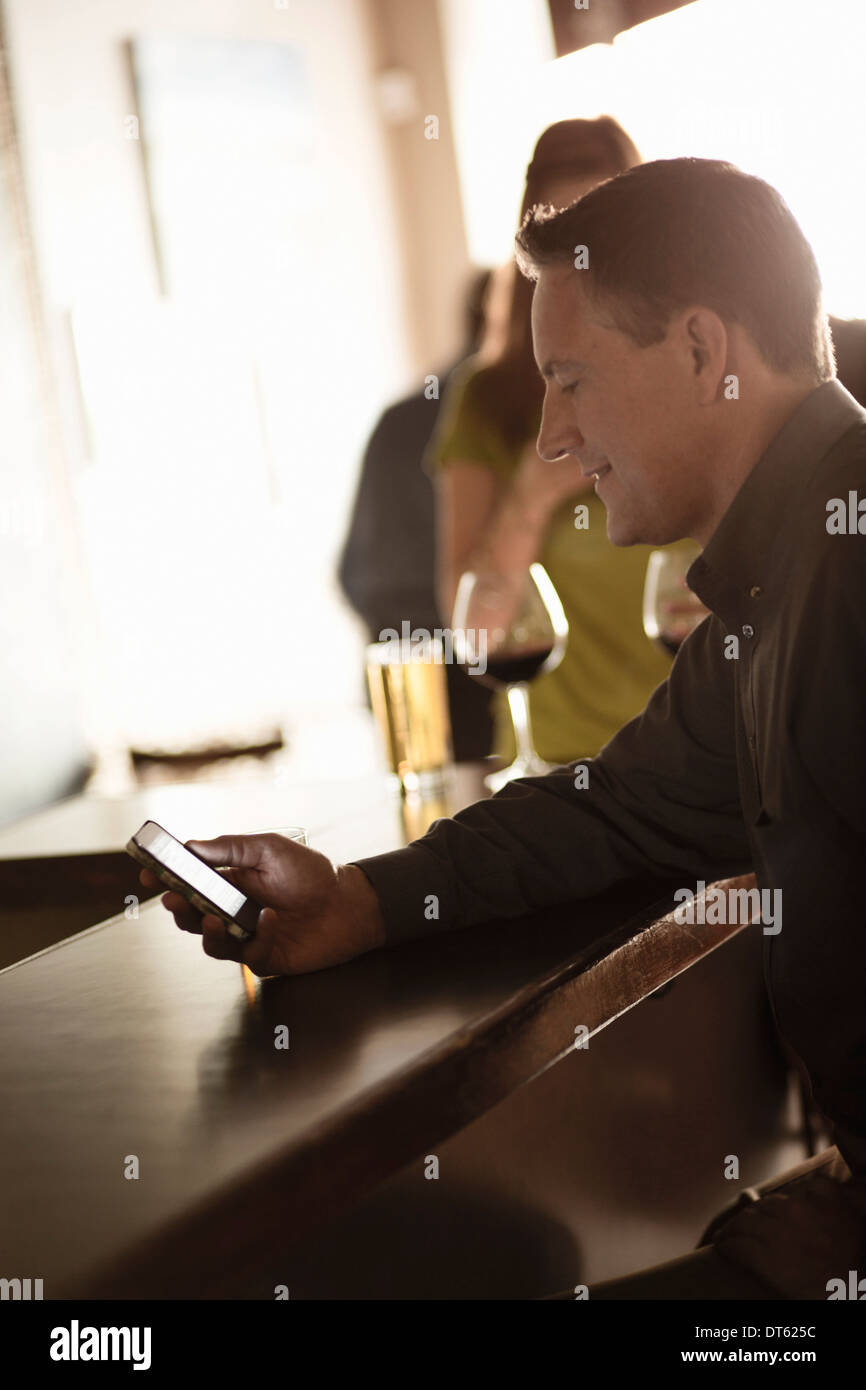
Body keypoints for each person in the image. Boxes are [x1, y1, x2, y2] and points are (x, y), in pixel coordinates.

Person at [142, 157, 866, 1299]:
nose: (549, 435)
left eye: (570, 379)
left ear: (699, 351)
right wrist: (359, 899)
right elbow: (617, 809)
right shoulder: (778, 575)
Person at [430, 118, 701, 766]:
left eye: (604, 226)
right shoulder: (488, 400)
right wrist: (531, 495)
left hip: (702, 760)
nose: (585, 252)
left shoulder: (695, 369)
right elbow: (476, 634)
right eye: (563, 228)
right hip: (561, 770)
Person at [337, 268, 495, 762]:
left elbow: (349, 574)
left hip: (403, 676)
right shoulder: (499, 416)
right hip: (480, 672)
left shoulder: (400, 415)